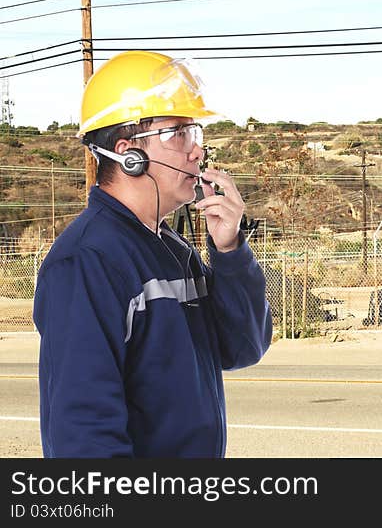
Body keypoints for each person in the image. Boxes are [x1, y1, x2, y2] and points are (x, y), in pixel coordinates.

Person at [33, 50, 273, 457]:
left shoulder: (173, 250)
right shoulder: (87, 262)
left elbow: (243, 347)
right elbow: (83, 435)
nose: (197, 151)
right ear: (130, 154)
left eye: (193, 133)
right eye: (179, 133)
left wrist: (229, 251)